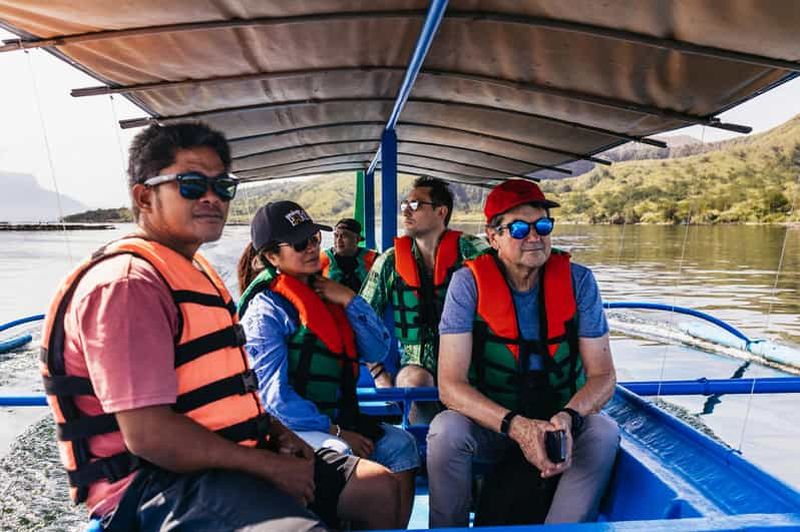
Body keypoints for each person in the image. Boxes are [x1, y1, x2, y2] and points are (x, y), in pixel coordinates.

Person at [39, 122, 400, 531]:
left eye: (222, 186)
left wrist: (284, 438)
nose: (212, 197)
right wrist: (269, 466)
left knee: (379, 491)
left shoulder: (197, 275)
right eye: (192, 184)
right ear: (144, 196)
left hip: (231, 456)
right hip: (156, 486)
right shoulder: (128, 286)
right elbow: (149, 437)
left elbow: (240, 392)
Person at [427, 179, 620, 527]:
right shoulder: (466, 284)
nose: (534, 236)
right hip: (493, 426)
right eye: (518, 228)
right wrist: (515, 426)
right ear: (493, 236)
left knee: (603, 432)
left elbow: (603, 376)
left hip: (560, 424)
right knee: (445, 432)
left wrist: (567, 418)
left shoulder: (579, 282)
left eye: (543, 225)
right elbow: (449, 386)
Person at [237, 201, 419, 528]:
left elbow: (377, 349)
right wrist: (338, 430)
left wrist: (350, 300)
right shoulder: (266, 311)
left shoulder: (329, 295)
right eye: (299, 243)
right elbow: (275, 400)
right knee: (342, 451)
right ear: (271, 257)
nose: (311, 247)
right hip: (294, 427)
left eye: (313, 239)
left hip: (339, 417)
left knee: (402, 445)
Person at [360, 176, 490, 422]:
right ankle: (425, 445)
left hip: (471, 365)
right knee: (415, 381)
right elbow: (360, 318)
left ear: (441, 211)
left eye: (416, 205)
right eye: (404, 205)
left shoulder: (473, 252)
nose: (406, 211)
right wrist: (378, 373)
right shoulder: (390, 261)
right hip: (417, 368)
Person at [319, 218, 379, 292]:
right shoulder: (322, 259)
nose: (338, 240)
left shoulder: (374, 259)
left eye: (344, 236)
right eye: (336, 236)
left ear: (357, 239)